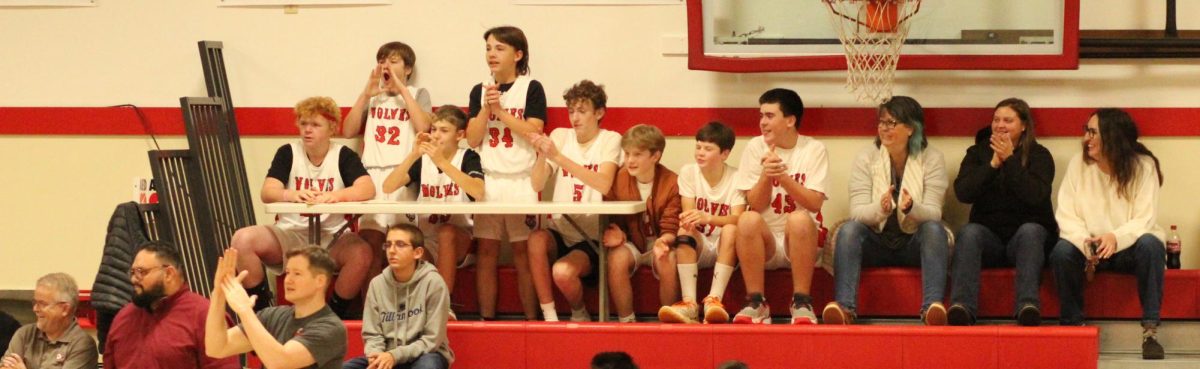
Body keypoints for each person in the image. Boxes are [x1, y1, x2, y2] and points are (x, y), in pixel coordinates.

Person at [229, 96, 376, 319]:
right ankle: (262, 313)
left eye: (315, 125)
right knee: (242, 239)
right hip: (290, 233)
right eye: (304, 123)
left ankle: (333, 316)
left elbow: (367, 188)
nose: (307, 130)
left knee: (362, 252)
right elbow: (267, 192)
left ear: (332, 129)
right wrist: (290, 194)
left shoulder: (342, 155)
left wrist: (336, 196)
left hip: (331, 236)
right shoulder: (288, 152)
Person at [1049, 108, 1166, 360]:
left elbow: (1144, 218)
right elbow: (1066, 214)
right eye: (1086, 131)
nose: (1086, 138)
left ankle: (1150, 333)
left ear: (1112, 136)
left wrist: (1114, 237)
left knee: (1152, 244)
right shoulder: (1078, 164)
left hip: (1128, 249)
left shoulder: (1144, 166)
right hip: (1089, 249)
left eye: (1093, 132)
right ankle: (1073, 327)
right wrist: (1085, 244)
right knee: (1061, 252)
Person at [823, 96, 950, 326]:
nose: (884, 128)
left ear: (911, 128)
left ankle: (932, 307)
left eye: (891, 123)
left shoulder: (932, 158)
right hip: (877, 242)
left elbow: (933, 212)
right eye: (881, 122)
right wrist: (880, 209)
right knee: (849, 230)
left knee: (934, 229)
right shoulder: (866, 157)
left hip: (913, 242)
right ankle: (844, 308)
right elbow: (858, 212)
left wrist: (912, 208)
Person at [949, 98, 1057, 326]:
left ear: (1024, 126)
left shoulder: (1039, 155)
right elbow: (963, 192)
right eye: (996, 119)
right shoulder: (977, 153)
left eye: (1008, 120)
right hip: (989, 239)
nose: (1000, 125)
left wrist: (1010, 160)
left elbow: (1036, 196)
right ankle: (962, 307)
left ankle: (1027, 306)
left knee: (1031, 232)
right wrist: (992, 166)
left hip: (1026, 240)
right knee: (969, 233)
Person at [465, 25, 548, 320]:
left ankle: (531, 321)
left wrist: (501, 113)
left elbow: (535, 132)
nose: (491, 54)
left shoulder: (532, 87)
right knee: (486, 251)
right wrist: (486, 109)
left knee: (523, 254)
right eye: (488, 48)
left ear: (518, 53)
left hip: (522, 180)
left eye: (499, 48)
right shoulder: (480, 90)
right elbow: (473, 139)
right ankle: (486, 319)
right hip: (489, 179)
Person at [731, 89, 829, 325]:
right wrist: (767, 175)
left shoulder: (814, 149)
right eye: (761, 116)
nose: (762, 122)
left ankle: (802, 302)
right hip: (765, 243)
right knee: (746, 219)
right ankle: (756, 302)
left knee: (800, 218)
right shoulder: (755, 147)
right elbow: (754, 204)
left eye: (769, 116)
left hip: (800, 240)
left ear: (790, 120)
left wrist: (784, 178)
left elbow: (814, 203)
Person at [527, 80, 622, 322]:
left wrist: (557, 157)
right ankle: (550, 317)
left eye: (582, 111)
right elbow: (537, 184)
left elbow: (603, 183)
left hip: (591, 235)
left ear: (599, 113)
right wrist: (541, 155)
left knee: (562, 272)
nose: (575, 118)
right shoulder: (560, 135)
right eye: (571, 111)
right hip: (561, 228)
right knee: (536, 239)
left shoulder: (610, 139)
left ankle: (579, 311)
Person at [342, 41, 434, 280]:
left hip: (402, 175)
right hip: (371, 174)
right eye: (382, 61)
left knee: (404, 246)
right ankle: (371, 310)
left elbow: (424, 126)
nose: (386, 66)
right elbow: (348, 131)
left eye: (393, 61)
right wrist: (365, 94)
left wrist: (402, 89)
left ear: (408, 69)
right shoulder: (373, 97)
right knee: (371, 246)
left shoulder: (417, 94)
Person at [382, 105, 483, 320]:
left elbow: (478, 191)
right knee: (405, 245)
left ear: (460, 135)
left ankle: (443, 304)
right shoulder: (423, 160)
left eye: (444, 131)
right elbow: (388, 186)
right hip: (426, 239)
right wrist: (412, 154)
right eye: (434, 129)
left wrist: (442, 163)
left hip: (460, 238)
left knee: (446, 232)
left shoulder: (468, 157)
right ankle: (403, 311)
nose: (437, 135)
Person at [658, 122, 746, 324]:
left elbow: (738, 217)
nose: (700, 153)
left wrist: (709, 218)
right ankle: (689, 303)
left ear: (724, 154)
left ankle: (714, 300)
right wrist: (692, 219)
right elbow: (689, 213)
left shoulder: (737, 177)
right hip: (701, 244)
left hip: (728, 246)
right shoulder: (689, 172)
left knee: (732, 229)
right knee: (685, 227)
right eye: (698, 147)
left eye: (708, 149)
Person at [205, 247, 348, 369]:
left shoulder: (331, 328)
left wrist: (245, 310)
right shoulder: (272, 315)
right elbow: (217, 348)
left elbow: (280, 362)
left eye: (297, 274)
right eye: (287, 272)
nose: (288, 280)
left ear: (320, 281)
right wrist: (218, 295)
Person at [104, 242, 239, 369]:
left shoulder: (205, 315)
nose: (133, 279)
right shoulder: (123, 318)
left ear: (168, 274)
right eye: (132, 272)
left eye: (141, 272)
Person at [344, 224, 454, 369]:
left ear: (418, 252)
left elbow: (432, 340)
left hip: (426, 354)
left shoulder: (434, 283)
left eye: (400, 245)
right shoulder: (377, 284)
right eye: (388, 245)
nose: (392, 251)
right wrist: (376, 356)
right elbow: (372, 335)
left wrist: (395, 356)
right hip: (386, 355)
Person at [602, 124, 681, 323]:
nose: (630, 160)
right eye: (627, 153)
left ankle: (669, 321)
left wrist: (664, 241)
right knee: (617, 257)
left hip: (660, 241)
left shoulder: (672, 182)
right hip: (632, 243)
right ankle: (626, 322)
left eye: (637, 154)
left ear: (655, 156)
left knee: (668, 259)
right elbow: (608, 213)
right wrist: (615, 231)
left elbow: (672, 224)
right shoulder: (618, 179)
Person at [2, 273, 97, 369]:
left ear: (65, 309)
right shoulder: (25, 334)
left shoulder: (82, 344)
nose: (35, 309)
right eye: (35, 302)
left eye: (42, 304)